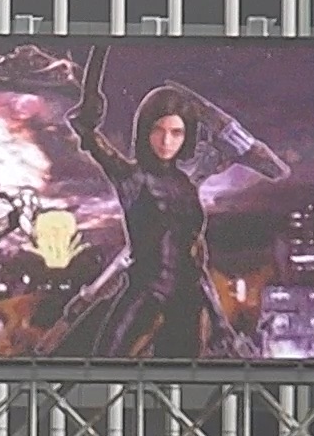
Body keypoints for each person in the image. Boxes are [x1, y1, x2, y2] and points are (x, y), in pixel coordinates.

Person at [45, 64, 250, 359]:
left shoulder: (186, 187)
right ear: (145, 130)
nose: (167, 142)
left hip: (187, 301)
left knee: (179, 378)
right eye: (158, 130)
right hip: (144, 291)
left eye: (176, 133)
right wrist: (86, 121)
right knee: (107, 363)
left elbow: (195, 259)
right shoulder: (132, 177)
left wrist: (218, 321)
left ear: (186, 136)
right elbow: (93, 140)